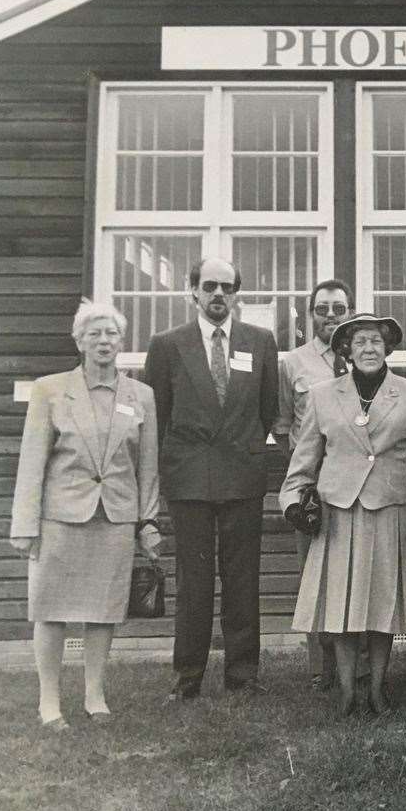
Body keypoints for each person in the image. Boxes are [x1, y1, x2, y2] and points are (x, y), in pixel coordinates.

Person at [10, 301, 161, 729]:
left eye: (111, 334)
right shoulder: (50, 390)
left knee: (103, 611)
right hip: (59, 518)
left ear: (121, 341)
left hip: (114, 518)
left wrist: (146, 521)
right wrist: (25, 524)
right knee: (51, 609)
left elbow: (147, 467)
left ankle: (95, 696)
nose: (103, 341)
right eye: (93, 334)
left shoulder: (141, 396)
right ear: (79, 341)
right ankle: (50, 702)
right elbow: (32, 461)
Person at [280, 313, 406, 716]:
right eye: (360, 342)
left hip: (390, 510)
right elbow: (303, 462)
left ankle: (379, 689)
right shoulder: (323, 395)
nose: (369, 348)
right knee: (341, 606)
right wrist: (294, 502)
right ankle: (348, 692)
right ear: (346, 349)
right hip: (338, 515)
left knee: (383, 605)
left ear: (388, 349)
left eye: (377, 342)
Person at [144, 256, 279, 701]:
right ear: (194, 292)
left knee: (243, 580)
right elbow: (157, 415)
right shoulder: (167, 344)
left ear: (236, 294)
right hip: (190, 480)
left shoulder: (260, 342)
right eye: (210, 286)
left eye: (227, 287)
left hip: (242, 475)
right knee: (194, 582)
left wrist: (238, 449)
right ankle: (188, 678)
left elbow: (265, 412)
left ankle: (243, 676)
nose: (219, 294)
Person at [273, 279, 354, 693]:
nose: (330, 317)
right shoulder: (294, 363)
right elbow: (284, 423)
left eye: (339, 309)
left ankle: (351, 665)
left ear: (350, 313)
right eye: (322, 309)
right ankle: (319, 665)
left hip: (356, 482)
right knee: (313, 574)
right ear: (311, 315)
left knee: (351, 572)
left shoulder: (362, 356)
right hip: (314, 489)